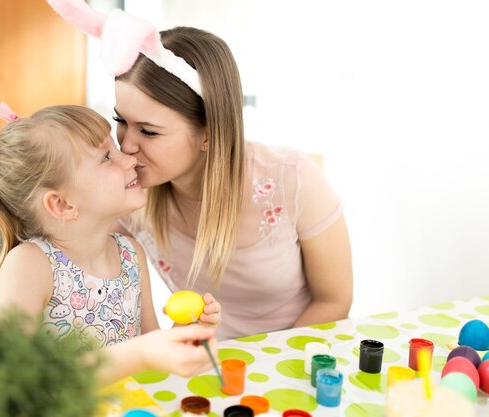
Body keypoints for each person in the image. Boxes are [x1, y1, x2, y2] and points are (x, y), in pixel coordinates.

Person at [110, 26, 353, 341]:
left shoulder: (293, 179)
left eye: (149, 131)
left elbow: (334, 300)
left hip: (289, 363)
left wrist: (262, 367)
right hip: (202, 367)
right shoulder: (131, 196)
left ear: (209, 133)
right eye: (120, 121)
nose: (126, 146)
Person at [0, 100, 221, 386]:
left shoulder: (131, 253)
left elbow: (149, 353)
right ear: (61, 204)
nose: (129, 159)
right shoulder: (30, 265)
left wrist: (182, 332)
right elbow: (11, 382)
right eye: (106, 157)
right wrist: (142, 353)